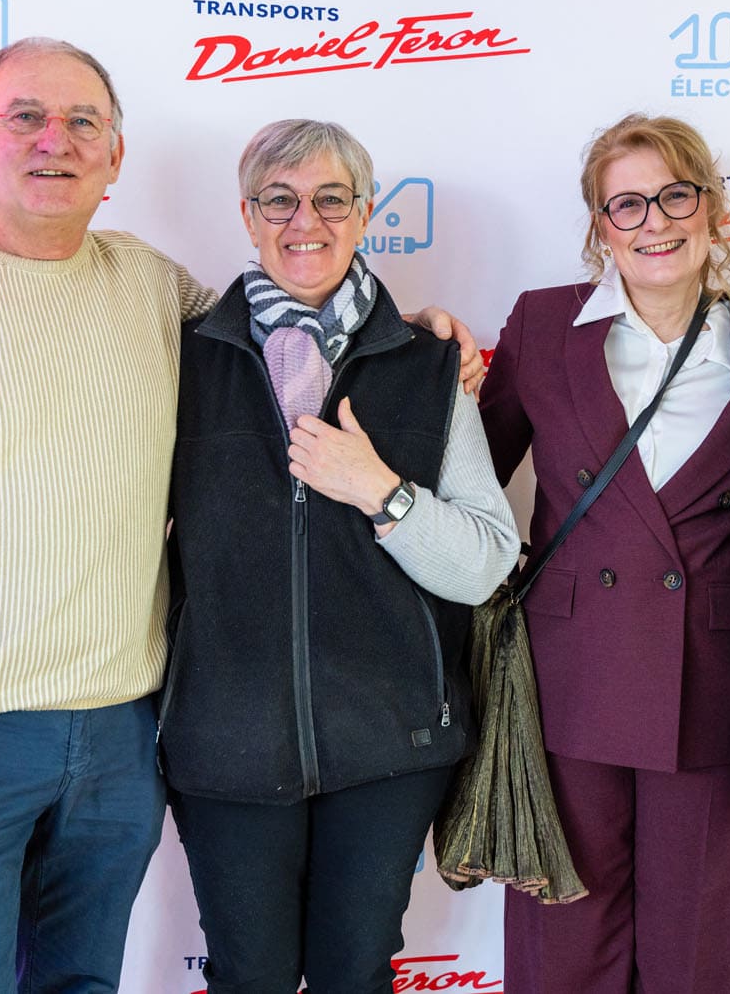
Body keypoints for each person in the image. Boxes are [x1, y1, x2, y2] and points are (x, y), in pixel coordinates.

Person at [0, 40, 480, 993]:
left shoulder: (151, 286)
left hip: (119, 737)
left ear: (114, 156)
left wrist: (416, 336)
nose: (55, 140)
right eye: (25, 116)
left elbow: (290, 326)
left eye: (83, 121)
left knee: (84, 981)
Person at [160, 118, 520, 994]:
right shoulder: (181, 359)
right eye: (279, 200)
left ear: (365, 213)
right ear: (248, 215)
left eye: (330, 199)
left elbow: (485, 562)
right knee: (248, 975)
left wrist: (381, 491)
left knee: (354, 974)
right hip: (224, 739)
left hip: (389, 738)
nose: (304, 221)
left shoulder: (429, 365)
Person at [478, 114, 730, 993]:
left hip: (712, 686)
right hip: (568, 680)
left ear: (711, 208)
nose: (654, 221)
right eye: (627, 204)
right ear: (600, 225)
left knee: (695, 951)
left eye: (674, 196)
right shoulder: (542, 324)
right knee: (562, 948)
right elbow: (472, 482)